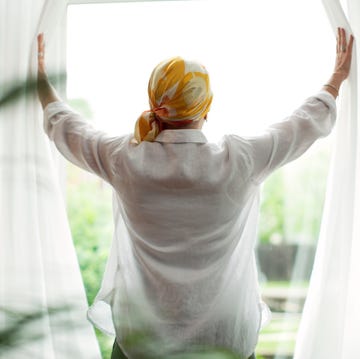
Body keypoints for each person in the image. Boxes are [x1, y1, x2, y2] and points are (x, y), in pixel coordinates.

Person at [37, 28, 354, 359]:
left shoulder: (125, 160)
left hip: (141, 346)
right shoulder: (239, 161)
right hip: (225, 341)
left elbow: (67, 127)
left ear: (154, 103)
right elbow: (301, 125)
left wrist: (40, 79)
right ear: (207, 107)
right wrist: (336, 79)